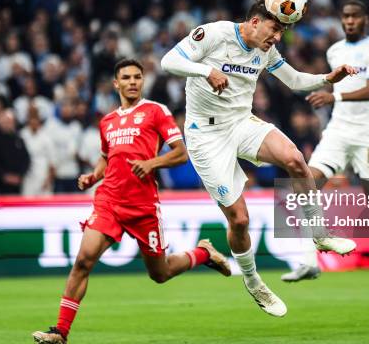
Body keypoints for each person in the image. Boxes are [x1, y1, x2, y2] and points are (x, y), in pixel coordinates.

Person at [161, 0, 358, 317]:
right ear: (255, 21)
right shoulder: (215, 33)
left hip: (241, 122)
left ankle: (320, 234)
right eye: (275, 29)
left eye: (281, 32)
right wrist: (204, 71)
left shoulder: (266, 51)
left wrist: (326, 78)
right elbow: (169, 61)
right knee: (239, 220)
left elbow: (294, 80)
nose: (277, 38)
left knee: (295, 159)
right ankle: (254, 283)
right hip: (206, 137)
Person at [32, 59, 230, 344]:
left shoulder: (156, 112)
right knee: (83, 261)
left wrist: (151, 163)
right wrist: (93, 176)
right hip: (109, 201)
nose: (133, 81)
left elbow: (180, 153)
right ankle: (60, 332)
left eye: (137, 77)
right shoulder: (107, 121)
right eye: (126, 77)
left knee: (160, 274)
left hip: (143, 206)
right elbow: (106, 155)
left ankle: (203, 254)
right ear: (116, 84)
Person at [282, 0, 369, 298]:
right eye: (345, 17)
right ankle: (310, 262)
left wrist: (333, 97)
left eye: (354, 16)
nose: (349, 21)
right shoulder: (334, 51)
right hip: (339, 131)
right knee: (305, 182)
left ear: (365, 19)